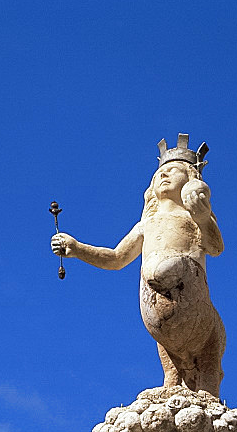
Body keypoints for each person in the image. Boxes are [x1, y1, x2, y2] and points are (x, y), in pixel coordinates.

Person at [52, 139, 226, 397]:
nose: (164, 174)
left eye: (173, 171)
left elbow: (215, 247)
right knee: (169, 365)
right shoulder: (146, 224)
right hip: (156, 313)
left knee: (164, 270)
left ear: (190, 179)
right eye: (159, 174)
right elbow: (115, 258)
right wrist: (77, 249)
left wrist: (202, 217)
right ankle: (172, 382)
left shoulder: (191, 218)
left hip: (190, 294)